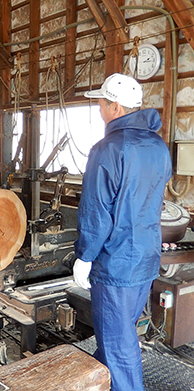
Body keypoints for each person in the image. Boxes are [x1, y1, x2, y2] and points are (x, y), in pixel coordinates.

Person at [73, 73, 171, 391]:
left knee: (119, 347)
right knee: (119, 335)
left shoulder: (108, 148)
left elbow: (96, 213)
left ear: (115, 106)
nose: (99, 109)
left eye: (101, 103)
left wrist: (84, 256)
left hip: (116, 265)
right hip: (145, 259)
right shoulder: (158, 146)